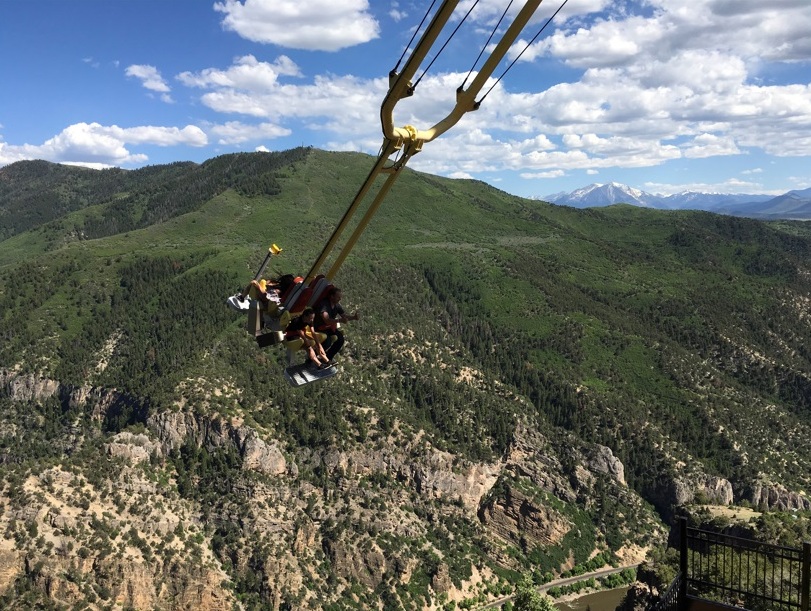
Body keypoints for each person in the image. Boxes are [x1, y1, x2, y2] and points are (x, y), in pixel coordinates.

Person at [316, 287, 359, 361]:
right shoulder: (324, 305)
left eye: (340, 297)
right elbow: (326, 320)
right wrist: (339, 320)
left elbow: (344, 316)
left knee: (340, 339)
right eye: (338, 297)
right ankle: (312, 359)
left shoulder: (337, 305)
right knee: (327, 342)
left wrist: (353, 317)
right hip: (319, 327)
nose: (340, 299)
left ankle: (327, 357)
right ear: (332, 296)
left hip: (328, 327)